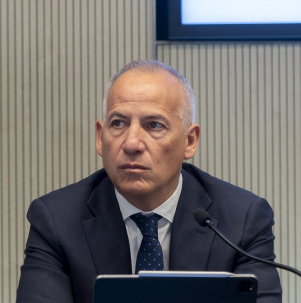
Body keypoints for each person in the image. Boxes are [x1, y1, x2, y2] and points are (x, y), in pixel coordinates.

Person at [16, 59, 281, 302]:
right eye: (118, 123)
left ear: (190, 141)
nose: (131, 143)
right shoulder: (56, 220)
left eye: (154, 125)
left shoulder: (242, 219)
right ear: (100, 137)